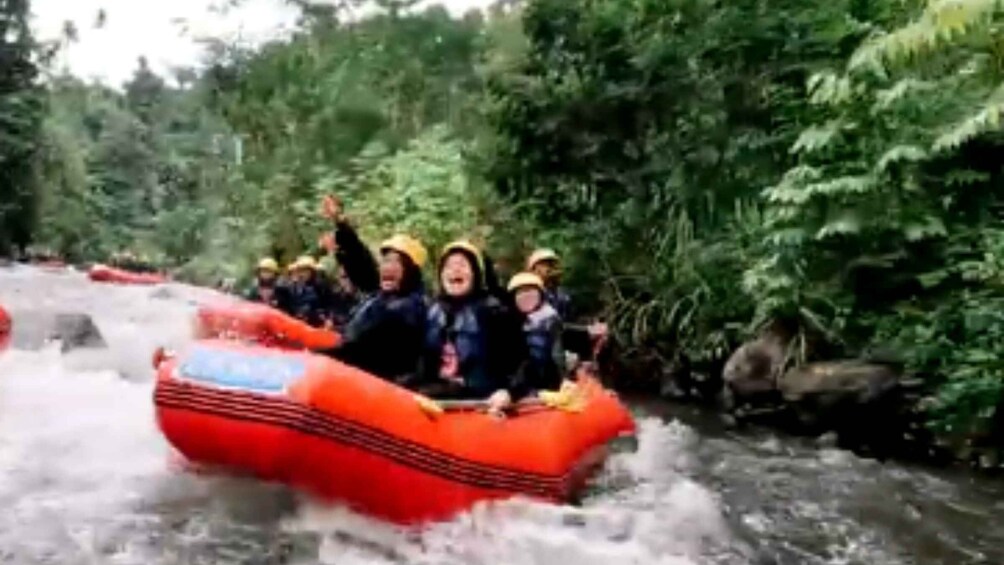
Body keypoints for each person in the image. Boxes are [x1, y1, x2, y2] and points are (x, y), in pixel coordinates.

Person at [408, 241, 529, 416]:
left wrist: (509, 391)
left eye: (462, 265)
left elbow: (523, 362)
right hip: (439, 399)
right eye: (449, 266)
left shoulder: (496, 311)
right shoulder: (431, 311)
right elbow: (420, 363)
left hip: (481, 401)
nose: (455, 270)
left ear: (476, 274)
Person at [317, 195, 429, 381]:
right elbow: (362, 262)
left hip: (382, 385)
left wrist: (316, 356)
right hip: (360, 371)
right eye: (386, 261)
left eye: (397, 262)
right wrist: (340, 223)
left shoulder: (408, 308)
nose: (388, 266)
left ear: (411, 272)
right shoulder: (386, 295)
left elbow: (361, 350)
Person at [526, 248, 609, 361]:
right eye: (545, 264)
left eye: (552, 264)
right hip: (543, 342)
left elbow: (570, 320)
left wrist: (591, 324)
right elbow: (551, 325)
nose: (550, 268)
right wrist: (586, 329)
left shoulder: (562, 295)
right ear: (534, 270)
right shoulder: (532, 294)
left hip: (564, 338)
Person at [508, 272, 565, 392]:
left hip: (545, 384)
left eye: (530, 291)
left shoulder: (549, 319)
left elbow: (556, 356)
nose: (525, 296)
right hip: (519, 384)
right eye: (520, 292)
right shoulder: (513, 321)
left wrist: (563, 381)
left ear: (540, 295)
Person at [285, 255, 333, 328]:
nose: (303, 274)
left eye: (305, 270)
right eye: (301, 270)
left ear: (312, 271)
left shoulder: (321, 285)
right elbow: (292, 305)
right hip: (301, 322)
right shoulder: (295, 286)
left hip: (318, 322)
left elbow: (328, 305)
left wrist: (327, 319)